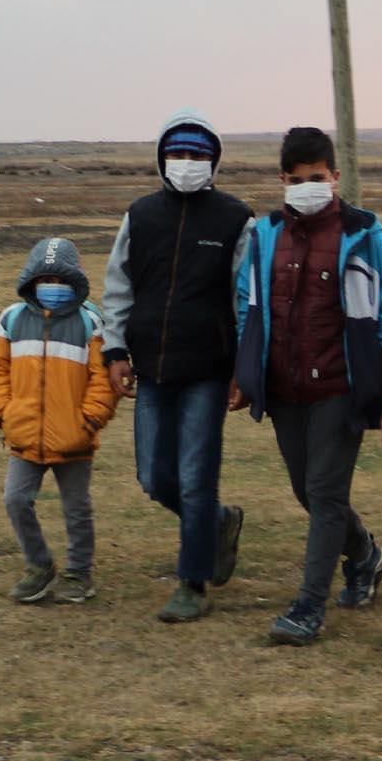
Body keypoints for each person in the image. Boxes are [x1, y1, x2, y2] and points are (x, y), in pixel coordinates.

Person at [233, 127, 382, 646]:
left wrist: (377, 377)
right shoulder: (265, 236)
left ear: (335, 176)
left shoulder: (365, 235)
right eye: (297, 179)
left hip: (339, 388)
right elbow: (247, 304)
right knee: (308, 492)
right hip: (284, 390)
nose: (308, 186)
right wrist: (245, 373)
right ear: (283, 181)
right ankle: (367, 555)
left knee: (326, 494)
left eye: (318, 177)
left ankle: (308, 607)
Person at [100, 111, 251, 623]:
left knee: (194, 476)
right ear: (162, 159)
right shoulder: (140, 216)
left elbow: (243, 299)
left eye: (197, 155)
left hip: (208, 368)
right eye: (178, 154)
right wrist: (115, 350)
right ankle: (216, 522)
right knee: (153, 476)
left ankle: (192, 583)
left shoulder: (235, 220)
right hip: (151, 368)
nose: (186, 163)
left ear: (214, 162)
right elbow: (118, 287)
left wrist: (242, 367)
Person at [0, 237, 117, 605]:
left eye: (61, 280)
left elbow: (103, 379)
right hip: (24, 436)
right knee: (15, 499)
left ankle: (79, 573)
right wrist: (2, 412)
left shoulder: (90, 323)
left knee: (76, 509)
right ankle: (39, 566)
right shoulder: (11, 319)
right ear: (31, 280)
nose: (53, 287)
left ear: (76, 281)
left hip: (74, 438)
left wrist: (90, 420)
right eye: (45, 279)